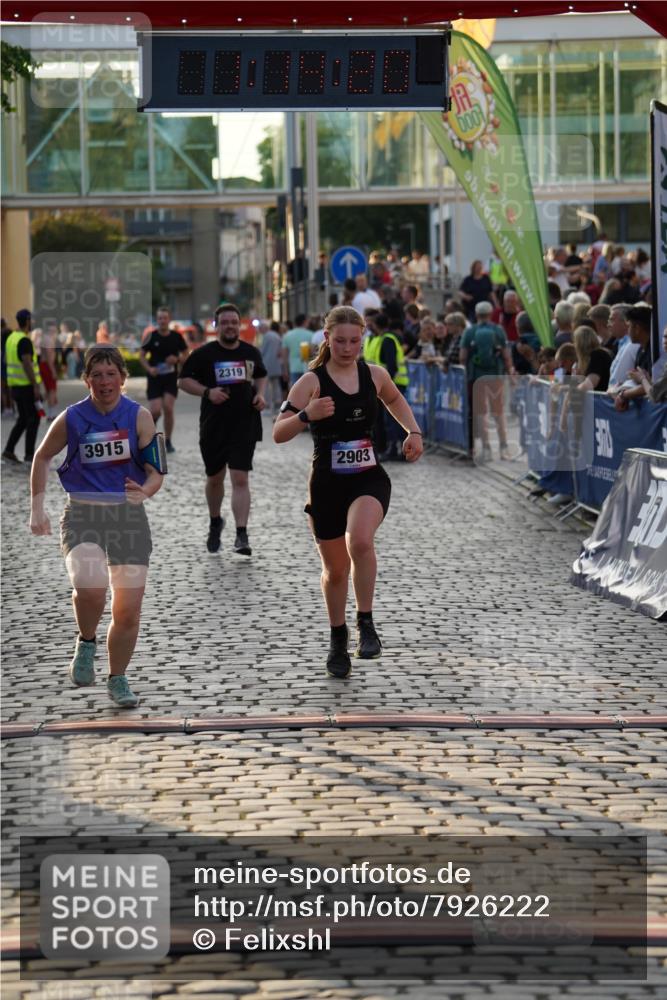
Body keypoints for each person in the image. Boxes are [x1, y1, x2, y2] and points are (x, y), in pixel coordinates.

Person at [273, 305, 423, 679]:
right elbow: (278, 432)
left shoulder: (373, 374)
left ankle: (366, 623)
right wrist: (307, 415)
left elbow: (394, 399)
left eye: (355, 340)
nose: (347, 347)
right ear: (327, 339)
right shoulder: (312, 381)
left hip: (368, 477)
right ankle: (337, 638)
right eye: (340, 340)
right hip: (326, 483)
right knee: (335, 570)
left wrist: (413, 431)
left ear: (363, 338)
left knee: (360, 541)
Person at [29, 346, 164, 708]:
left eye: (111, 374)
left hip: (128, 518)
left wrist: (146, 491)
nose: (105, 382)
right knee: (90, 589)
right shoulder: (72, 418)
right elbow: (41, 457)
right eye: (97, 375)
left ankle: (118, 678)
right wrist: (37, 508)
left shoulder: (140, 417)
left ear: (123, 377)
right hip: (83, 515)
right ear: (87, 380)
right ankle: (86, 640)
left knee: (127, 610)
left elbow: (156, 472)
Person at [179, 302, 267, 556]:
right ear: (216, 326)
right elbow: (183, 380)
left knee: (240, 478)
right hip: (214, 425)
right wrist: (208, 392)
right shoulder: (204, 354)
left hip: (245, 423)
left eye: (234, 322)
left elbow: (260, 375)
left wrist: (260, 394)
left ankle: (242, 534)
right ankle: (215, 520)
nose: (230, 326)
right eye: (225, 322)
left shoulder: (251, 352)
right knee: (215, 478)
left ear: (239, 325)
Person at [459, 300, 516, 461]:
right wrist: (510, 372)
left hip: (475, 378)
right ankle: (504, 447)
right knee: (498, 412)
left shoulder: (470, 332)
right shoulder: (498, 330)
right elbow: (506, 356)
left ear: (476, 314)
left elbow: (462, 357)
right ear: (491, 314)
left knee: (480, 413)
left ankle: (486, 448)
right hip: (495, 376)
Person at [140, 306, 188, 453]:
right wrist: (149, 369)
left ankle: (167, 441)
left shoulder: (176, 337)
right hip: (155, 378)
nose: (162, 321)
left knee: (168, 407)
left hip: (170, 378)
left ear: (169, 319)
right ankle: (149, 434)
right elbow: (141, 356)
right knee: (155, 411)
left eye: (165, 318)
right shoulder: (151, 336)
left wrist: (178, 359)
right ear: (157, 320)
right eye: (160, 318)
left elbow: (186, 354)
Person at [2, 309, 44, 466]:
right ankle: (29, 456)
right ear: (27, 321)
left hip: (15, 386)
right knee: (34, 419)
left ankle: (8, 450)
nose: (32, 323)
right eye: (31, 320)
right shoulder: (24, 341)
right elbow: (27, 363)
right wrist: (36, 386)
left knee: (23, 419)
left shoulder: (11, 338)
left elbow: (6, 359)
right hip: (26, 386)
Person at [260, 320, 284, 417]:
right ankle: (278, 406)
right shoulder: (278, 337)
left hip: (267, 364)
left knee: (265, 387)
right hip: (276, 364)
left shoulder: (267, 336)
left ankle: (267, 407)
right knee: (276, 386)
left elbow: (262, 350)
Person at [282, 314, 312, 387]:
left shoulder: (287, 335)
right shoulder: (311, 334)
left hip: (293, 368)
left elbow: (284, 355)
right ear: (304, 322)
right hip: (307, 367)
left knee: (294, 391)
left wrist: (285, 370)